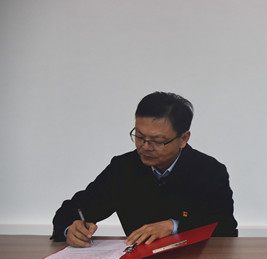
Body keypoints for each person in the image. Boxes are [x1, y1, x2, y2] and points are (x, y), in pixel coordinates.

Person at [52, 91, 238, 247]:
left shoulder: (209, 171)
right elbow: (72, 210)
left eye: (157, 141)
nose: (145, 147)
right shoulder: (123, 168)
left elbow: (225, 229)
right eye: (139, 137)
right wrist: (71, 229)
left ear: (183, 139)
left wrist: (173, 226)